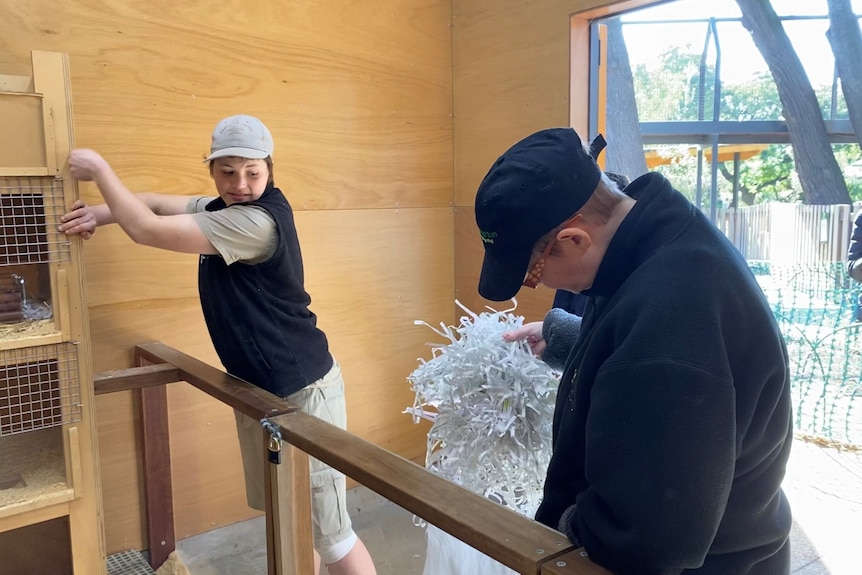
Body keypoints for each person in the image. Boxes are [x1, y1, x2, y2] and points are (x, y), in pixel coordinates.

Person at [58, 115, 377, 575]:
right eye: (227, 172)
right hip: (264, 392)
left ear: (270, 170)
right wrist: (98, 213)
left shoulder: (255, 223)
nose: (241, 183)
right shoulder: (219, 207)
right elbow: (151, 204)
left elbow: (147, 228)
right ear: (212, 171)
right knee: (291, 517)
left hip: (304, 392)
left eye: (252, 172)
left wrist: (102, 171)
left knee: (332, 535)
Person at [475, 127, 793, 574]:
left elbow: (645, 541)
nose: (539, 284)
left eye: (534, 272)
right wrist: (568, 339)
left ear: (574, 239)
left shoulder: (672, 327)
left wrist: (566, 520)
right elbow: (643, 355)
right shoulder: (657, 240)